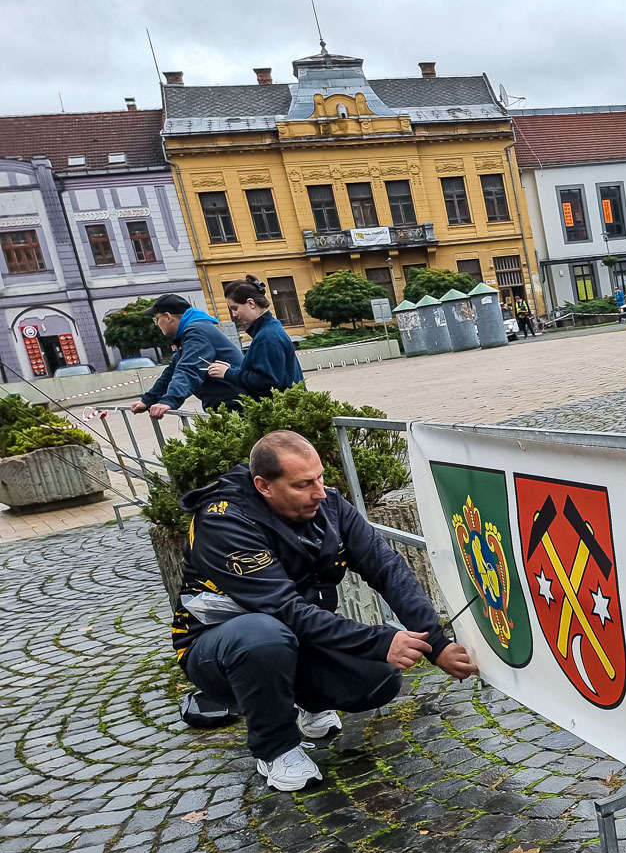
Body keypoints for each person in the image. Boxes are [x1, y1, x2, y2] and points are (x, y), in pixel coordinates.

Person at [173, 431, 478, 790]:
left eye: (319, 478)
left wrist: (436, 644)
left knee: (380, 678)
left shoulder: (328, 504)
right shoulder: (223, 521)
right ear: (264, 486)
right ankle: (274, 748)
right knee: (264, 636)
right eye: (303, 484)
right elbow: (285, 609)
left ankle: (306, 702)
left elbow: (386, 567)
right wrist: (382, 641)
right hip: (217, 647)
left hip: (295, 634)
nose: (319, 492)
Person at [131, 294, 246, 419]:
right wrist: (148, 400)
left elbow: (190, 368)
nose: (157, 324)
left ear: (168, 317)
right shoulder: (190, 332)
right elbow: (171, 372)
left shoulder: (196, 331)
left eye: (156, 319)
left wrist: (170, 400)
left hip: (237, 405)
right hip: (226, 403)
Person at [205, 277, 303, 397]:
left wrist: (228, 373)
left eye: (235, 308)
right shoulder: (269, 330)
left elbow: (267, 383)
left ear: (251, 303)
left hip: (284, 406)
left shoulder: (267, 337)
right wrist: (232, 370)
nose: (234, 314)